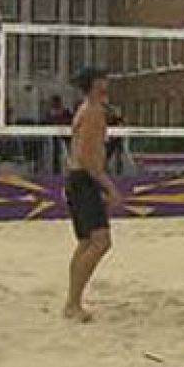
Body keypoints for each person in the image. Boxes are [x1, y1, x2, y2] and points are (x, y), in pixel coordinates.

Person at [63, 67, 125, 322]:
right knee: (100, 242)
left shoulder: (89, 109)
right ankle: (73, 303)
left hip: (79, 179)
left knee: (88, 242)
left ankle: (72, 302)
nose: (107, 83)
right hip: (84, 180)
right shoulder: (92, 112)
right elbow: (88, 158)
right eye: (103, 80)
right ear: (96, 84)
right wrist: (109, 187)